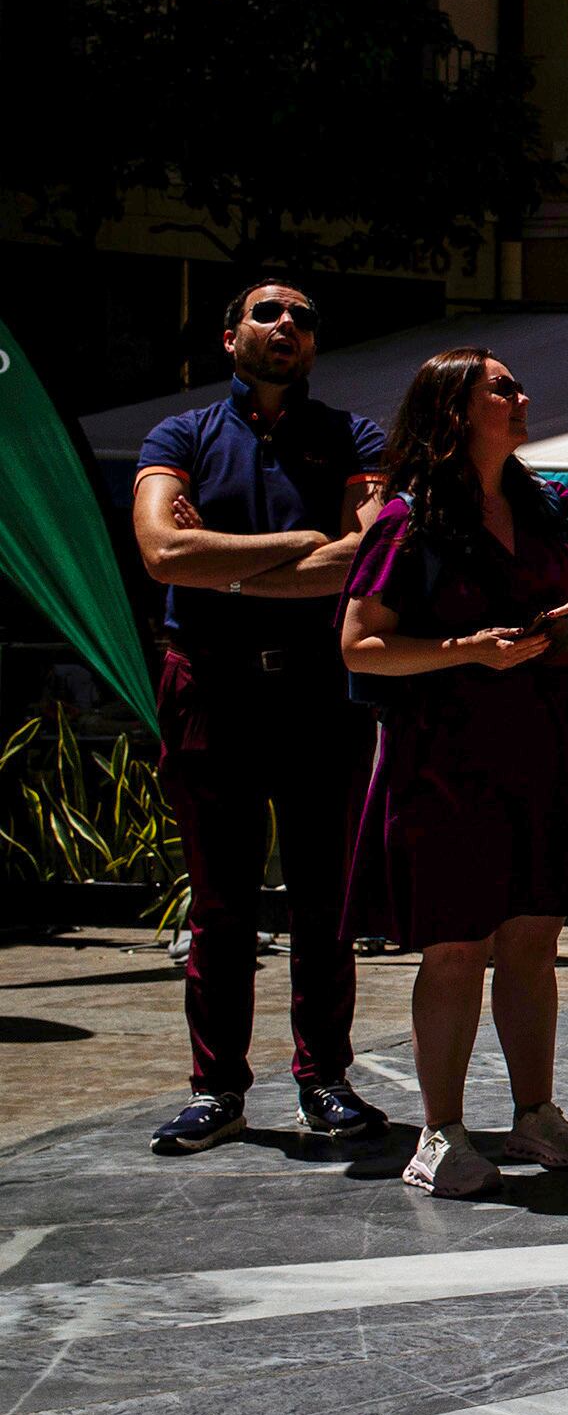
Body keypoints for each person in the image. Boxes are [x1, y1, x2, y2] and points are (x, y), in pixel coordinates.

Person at [340, 349, 568, 1200]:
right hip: (446, 752)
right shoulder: (406, 519)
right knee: (454, 947)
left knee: (533, 939)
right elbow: (359, 643)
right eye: (502, 389)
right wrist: (465, 651)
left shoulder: (550, 504)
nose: (522, 397)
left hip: (548, 739)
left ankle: (535, 1112)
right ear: (452, 410)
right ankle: (440, 1133)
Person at [126, 281, 395, 1155]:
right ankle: (218, 1090)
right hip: (210, 685)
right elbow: (163, 551)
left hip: (319, 690)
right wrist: (292, 548)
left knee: (325, 901)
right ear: (230, 334)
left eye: (305, 318)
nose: (287, 327)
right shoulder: (180, 435)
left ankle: (324, 1078)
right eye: (269, 314)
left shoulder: (351, 437)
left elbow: (370, 551)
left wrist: (226, 568)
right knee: (220, 904)